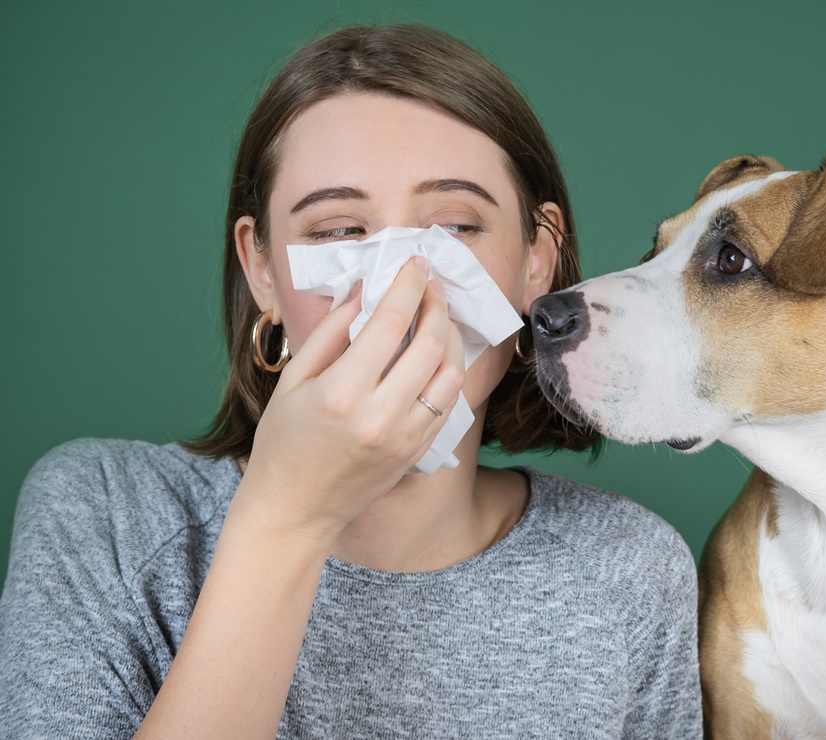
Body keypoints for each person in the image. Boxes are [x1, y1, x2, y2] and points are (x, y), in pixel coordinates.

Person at [0, 24, 700, 738]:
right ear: (263, 268)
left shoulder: (628, 571)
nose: (401, 280)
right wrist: (287, 514)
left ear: (536, 260)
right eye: (338, 231)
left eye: (455, 225)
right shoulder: (103, 517)